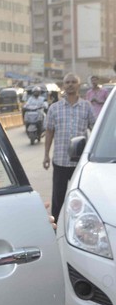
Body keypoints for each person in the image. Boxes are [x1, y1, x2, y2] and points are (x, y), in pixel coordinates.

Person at [43, 73, 94, 221]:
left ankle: (80, 223)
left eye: (73, 82)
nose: (70, 84)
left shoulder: (87, 106)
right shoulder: (54, 108)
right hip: (60, 160)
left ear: (79, 85)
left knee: (81, 196)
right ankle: (56, 225)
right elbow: (49, 132)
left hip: (80, 162)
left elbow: (95, 128)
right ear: (63, 86)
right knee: (58, 197)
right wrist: (46, 154)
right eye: (67, 82)